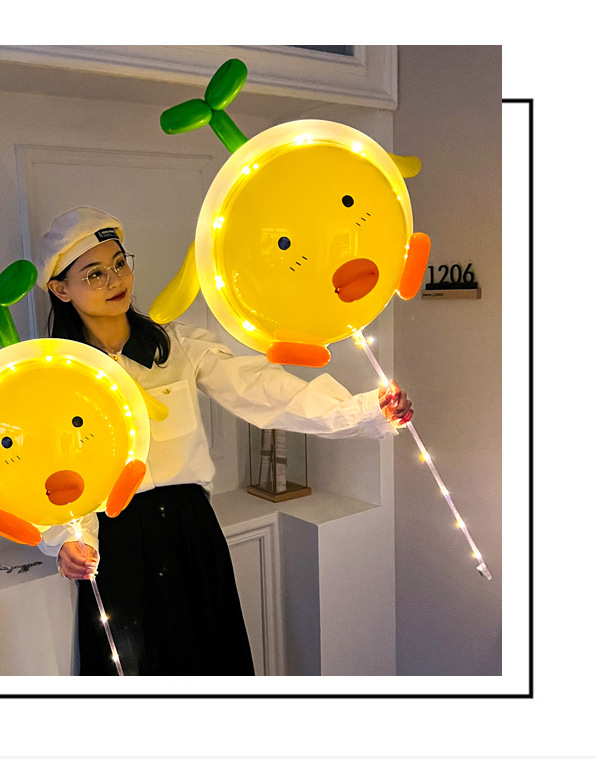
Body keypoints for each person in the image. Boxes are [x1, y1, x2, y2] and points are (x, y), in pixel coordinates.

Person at [35, 207, 413, 676]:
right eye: (94, 274)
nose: (115, 280)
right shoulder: (58, 375)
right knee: (134, 676)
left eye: (119, 263)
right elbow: (54, 470)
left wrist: (364, 409)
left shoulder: (175, 345)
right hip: (116, 542)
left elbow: (262, 389)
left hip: (191, 529)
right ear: (61, 289)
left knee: (213, 664)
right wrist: (68, 539)